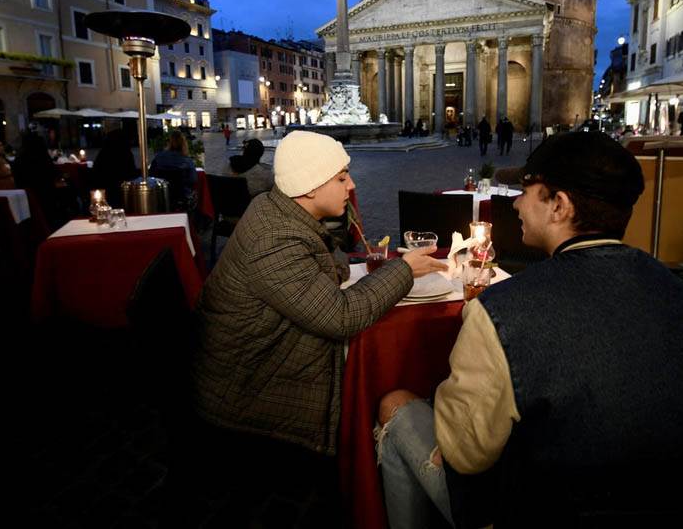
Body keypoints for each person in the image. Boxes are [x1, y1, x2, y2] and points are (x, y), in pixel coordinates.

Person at [376, 132, 683, 528]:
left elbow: (466, 453)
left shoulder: (504, 310)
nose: (516, 203)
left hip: (551, 508)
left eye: (525, 190)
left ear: (558, 205)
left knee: (396, 405)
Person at [192, 131, 447, 462]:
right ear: (310, 186)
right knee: (381, 374)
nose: (351, 186)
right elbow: (340, 318)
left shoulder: (277, 210)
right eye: (341, 177)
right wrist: (405, 271)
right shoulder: (275, 238)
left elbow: (325, 264)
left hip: (256, 360)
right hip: (245, 387)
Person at [148, 130, 197, 211]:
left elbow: (151, 175)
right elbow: (193, 180)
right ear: (184, 144)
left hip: (161, 196)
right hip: (181, 197)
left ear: (169, 143)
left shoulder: (159, 157)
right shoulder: (187, 161)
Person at [91, 128, 139, 209]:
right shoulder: (125, 152)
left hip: (104, 190)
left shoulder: (103, 152)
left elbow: (96, 172)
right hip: (121, 191)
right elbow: (131, 173)